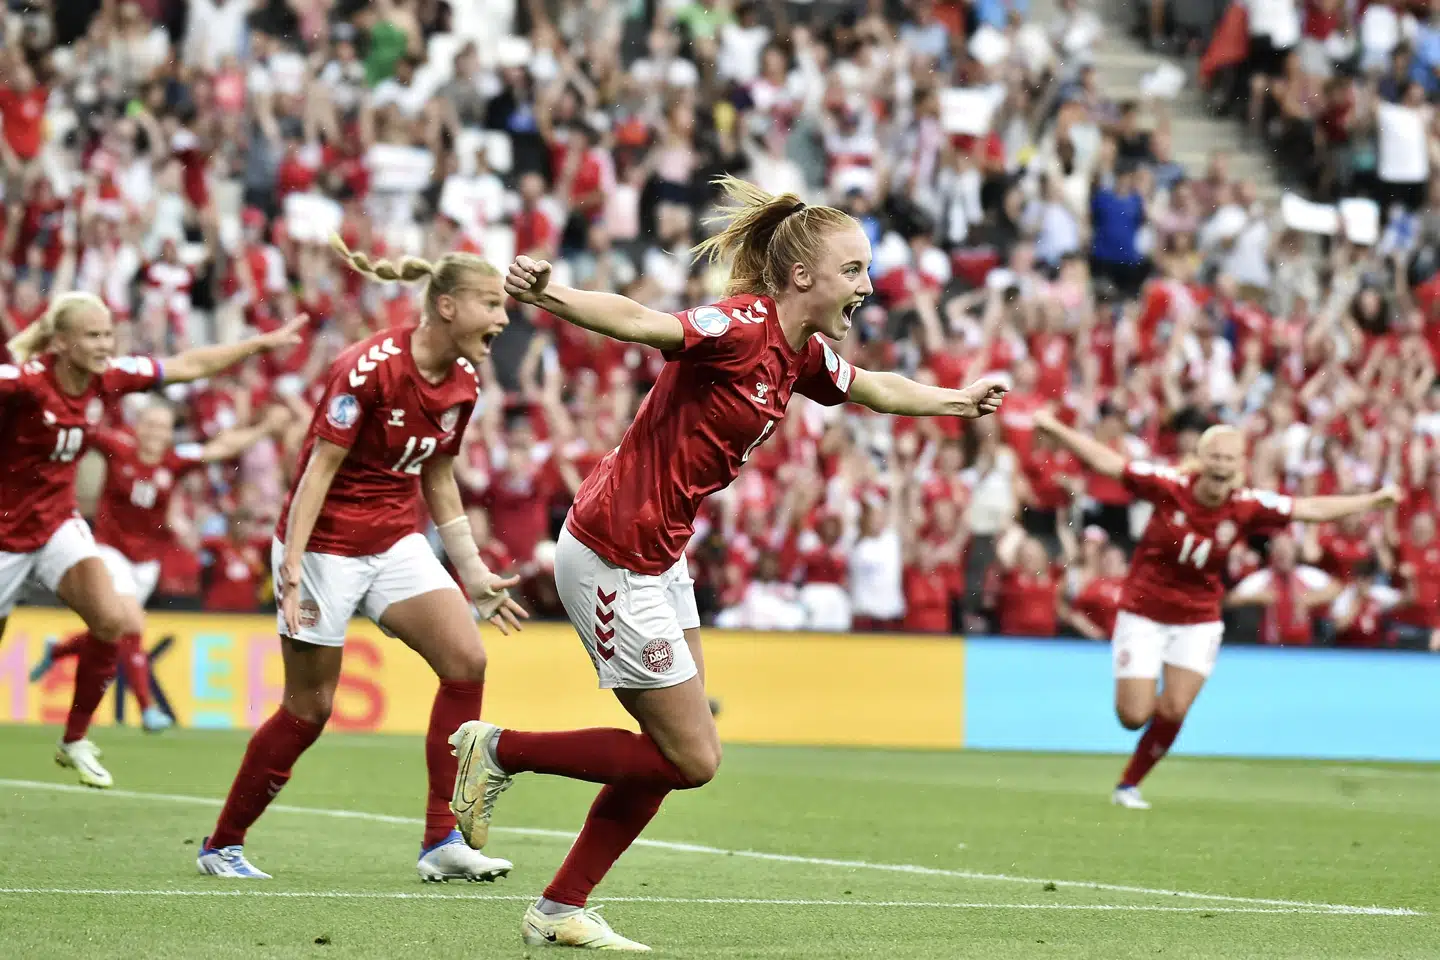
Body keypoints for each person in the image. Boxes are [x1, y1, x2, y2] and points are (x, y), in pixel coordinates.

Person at [448, 176, 1007, 952]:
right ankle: (500, 749)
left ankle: (560, 906)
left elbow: (875, 387)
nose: (868, 286)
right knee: (693, 758)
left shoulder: (800, 351)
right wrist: (551, 296)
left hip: (658, 554)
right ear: (804, 276)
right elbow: (646, 324)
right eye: (854, 270)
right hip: (614, 552)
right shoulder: (743, 326)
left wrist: (957, 400)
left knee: (673, 757)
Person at [196, 236, 528, 884]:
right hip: (323, 545)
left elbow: (439, 478)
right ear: (447, 306)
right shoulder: (368, 365)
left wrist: (473, 569)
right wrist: (291, 563)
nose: (504, 318)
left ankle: (441, 842)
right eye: (492, 303)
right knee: (308, 710)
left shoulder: (464, 382)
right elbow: (318, 470)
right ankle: (222, 844)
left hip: (394, 539)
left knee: (467, 661)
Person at [0, 292, 306, 788]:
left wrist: (258, 344)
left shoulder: (107, 379)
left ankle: (73, 739)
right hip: (5, 535)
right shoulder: (25, 384)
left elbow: (187, 365)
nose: (104, 344)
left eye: (107, 334)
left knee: (114, 620)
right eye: (93, 336)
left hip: (58, 523)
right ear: (60, 342)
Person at [1032, 413, 1401, 809]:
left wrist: (1373, 500)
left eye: (1231, 458)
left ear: (1241, 465)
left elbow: (1308, 507)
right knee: (1133, 715)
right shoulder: (1168, 486)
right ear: (1202, 459)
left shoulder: (1247, 506)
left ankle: (1128, 785)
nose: (1223, 465)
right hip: (1144, 611)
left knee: (1174, 707)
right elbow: (1108, 463)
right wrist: (1056, 429)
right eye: (1217, 457)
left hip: (1199, 618)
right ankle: (1141, 719)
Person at [29, 400, 293, 731]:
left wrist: (265, 430)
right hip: (110, 552)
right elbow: (81, 430)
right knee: (133, 624)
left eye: (163, 427)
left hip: (146, 565)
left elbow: (220, 448)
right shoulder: (118, 448)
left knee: (112, 631)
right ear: (138, 427)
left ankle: (59, 649)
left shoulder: (174, 461)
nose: (156, 432)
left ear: (170, 433)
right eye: (150, 424)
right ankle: (148, 708)